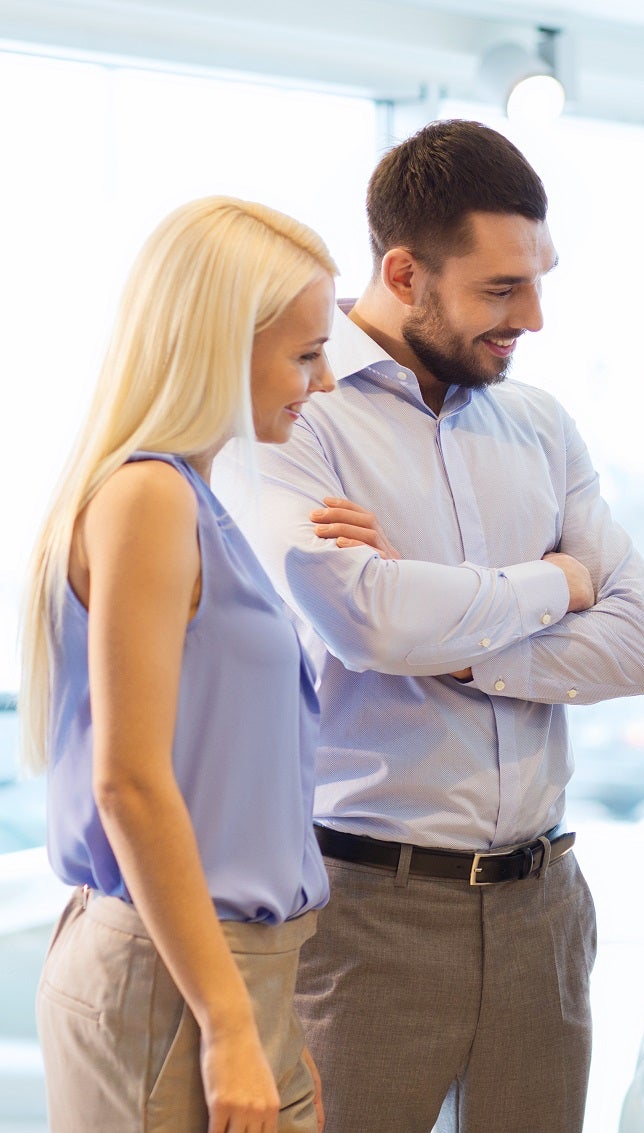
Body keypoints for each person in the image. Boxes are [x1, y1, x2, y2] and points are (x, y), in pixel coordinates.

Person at [228, 119, 644, 1132]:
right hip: (368, 911)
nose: (536, 317)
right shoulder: (296, 411)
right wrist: (554, 583)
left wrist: (458, 642)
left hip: (544, 906)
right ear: (403, 271)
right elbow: (370, 623)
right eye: (502, 289)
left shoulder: (541, 423)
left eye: (540, 278)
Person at [21, 196, 339, 1132]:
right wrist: (229, 1019)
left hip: (217, 970)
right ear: (219, 343)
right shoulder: (151, 498)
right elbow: (129, 783)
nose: (318, 383)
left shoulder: (188, 498)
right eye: (304, 353)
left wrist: (258, 1016)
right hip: (182, 976)